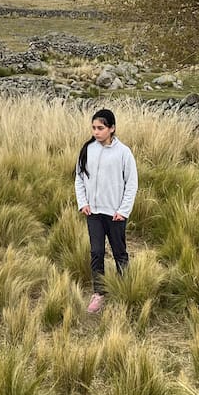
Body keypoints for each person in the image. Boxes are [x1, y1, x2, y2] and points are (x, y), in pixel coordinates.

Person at [74, 108, 138, 314]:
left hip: (116, 214)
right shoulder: (87, 149)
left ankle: (124, 288)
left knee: (120, 253)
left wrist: (124, 210)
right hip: (93, 213)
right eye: (93, 128)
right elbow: (79, 178)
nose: (96, 132)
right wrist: (83, 202)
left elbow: (132, 184)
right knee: (97, 252)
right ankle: (98, 293)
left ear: (112, 129)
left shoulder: (124, 153)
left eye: (100, 128)